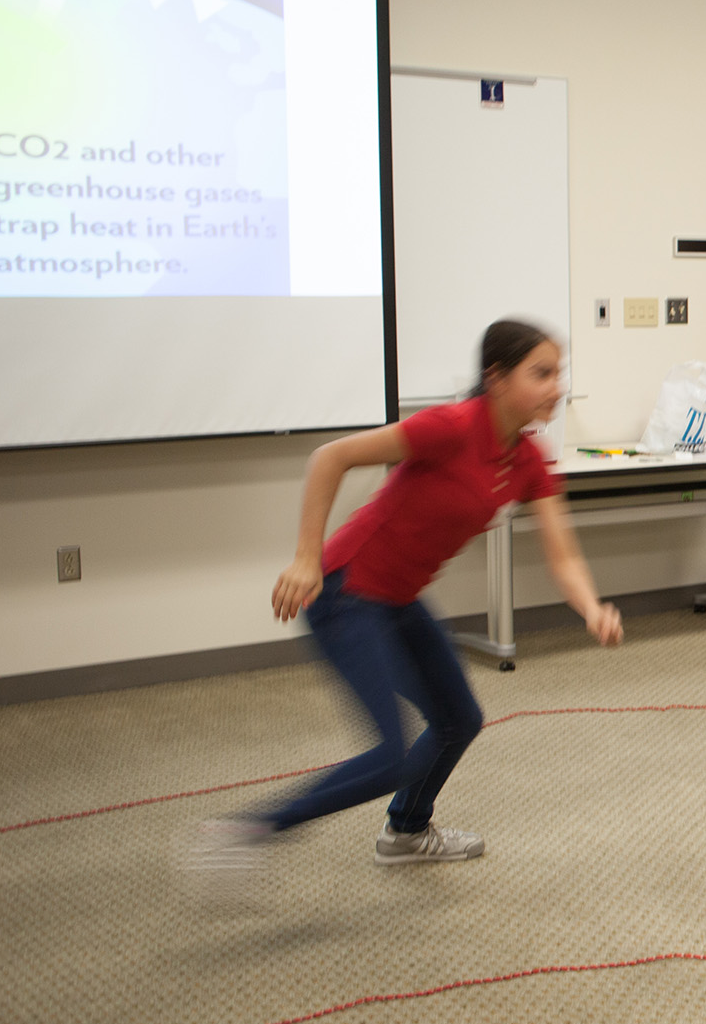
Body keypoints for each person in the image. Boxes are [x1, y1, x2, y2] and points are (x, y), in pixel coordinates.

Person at [196, 321, 623, 872]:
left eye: (558, 373)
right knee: (389, 755)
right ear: (495, 378)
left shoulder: (528, 462)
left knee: (458, 719)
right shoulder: (450, 427)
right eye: (540, 373)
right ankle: (249, 831)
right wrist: (306, 558)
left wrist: (591, 607)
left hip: (397, 599)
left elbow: (562, 555)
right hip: (345, 591)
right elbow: (331, 457)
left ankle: (405, 832)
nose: (555, 387)